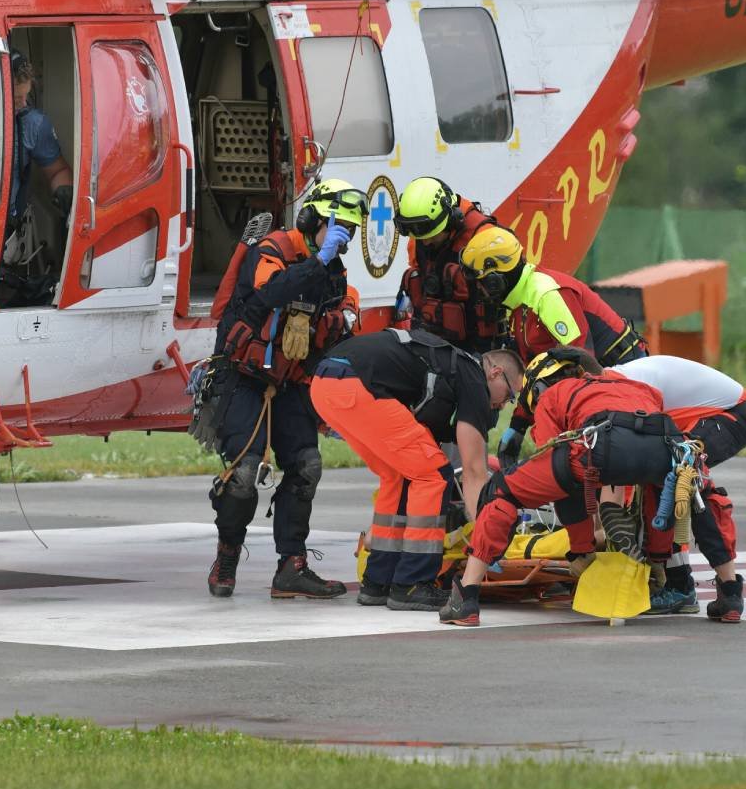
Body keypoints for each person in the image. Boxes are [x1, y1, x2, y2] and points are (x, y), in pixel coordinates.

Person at [438, 347, 744, 627]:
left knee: (505, 491)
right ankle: (726, 591)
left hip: (595, 447)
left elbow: (553, 462)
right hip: (661, 444)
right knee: (695, 491)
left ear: (540, 386)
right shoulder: (638, 386)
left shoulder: (553, 395)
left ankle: (467, 597)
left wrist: (581, 546)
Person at [207, 178, 367, 600]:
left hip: (290, 381)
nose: (342, 240)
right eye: (336, 229)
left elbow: (329, 332)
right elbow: (269, 296)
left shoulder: (333, 270)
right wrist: (320, 261)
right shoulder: (270, 251)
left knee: (307, 466)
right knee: (243, 473)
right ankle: (227, 553)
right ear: (312, 219)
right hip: (244, 378)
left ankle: (291, 566)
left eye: (348, 233)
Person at [310, 332, 524, 610]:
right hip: (357, 384)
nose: (505, 403)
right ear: (495, 373)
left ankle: (378, 581)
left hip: (325, 384)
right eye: (510, 393)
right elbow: (473, 470)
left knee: (397, 475)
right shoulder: (472, 376)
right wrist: (482, 538)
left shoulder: (446, 367)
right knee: (434, 475)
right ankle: (412, 583)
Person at [457, 227, 648, 470]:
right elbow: (537, 373)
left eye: (481, 283)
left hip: (622, 376)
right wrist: (518, 425)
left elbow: (581, 367)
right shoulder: (519, 304)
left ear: (496, 280)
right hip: (604, 378)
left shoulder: (546, 295)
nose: (479, 291)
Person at [612, 355, 746, 618]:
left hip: (731, 414)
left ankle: (727, 589)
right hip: (697, 418)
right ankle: (679, 584)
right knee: (663, 475)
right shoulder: (614, 383)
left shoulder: (625, 388)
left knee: (687, 477)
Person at [393, 177, 507, 353]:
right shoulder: (420, 235)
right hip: (431, 341)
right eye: (420, 237)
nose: (427, 242)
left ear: (452, 219)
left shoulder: (485, 237)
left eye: (433, 235)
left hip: (480, 349)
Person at [8, 50, 74, 228]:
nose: (23, 104)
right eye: (15, 99)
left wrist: (64, 191)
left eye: (26, 96)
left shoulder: (33, 124)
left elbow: (57, 170)